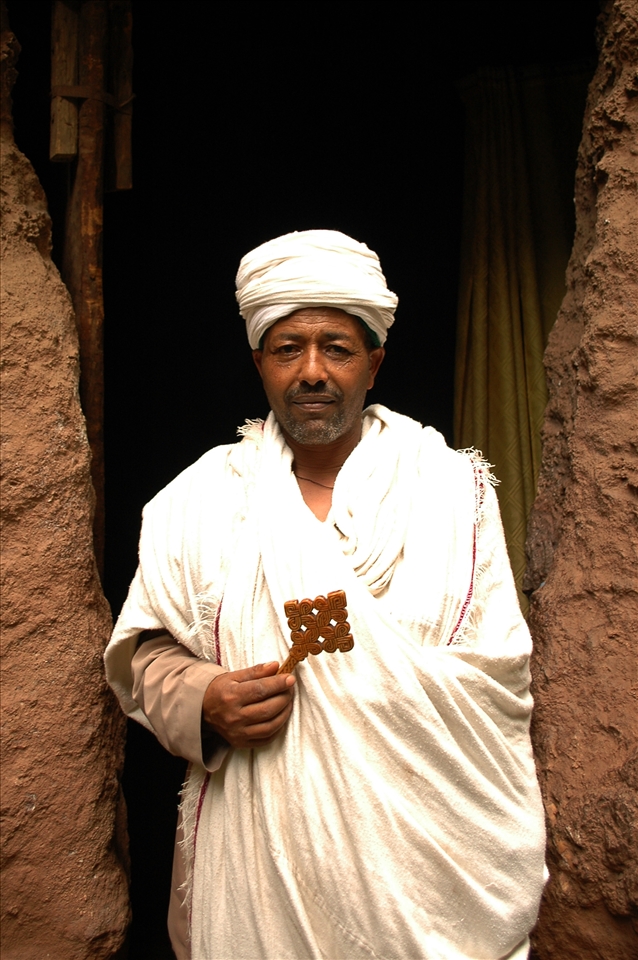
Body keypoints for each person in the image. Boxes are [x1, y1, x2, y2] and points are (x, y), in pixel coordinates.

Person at [105, 229, 546, 960]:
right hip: (258, 866)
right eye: (288, 349)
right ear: (259, 364)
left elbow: (496, 674)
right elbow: (143, 653)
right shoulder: (200, 499)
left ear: (374, 363)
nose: (312, 371)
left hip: (426, 870)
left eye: (336, 348)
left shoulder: (449, 489)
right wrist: (204, 699)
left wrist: (384, 698)